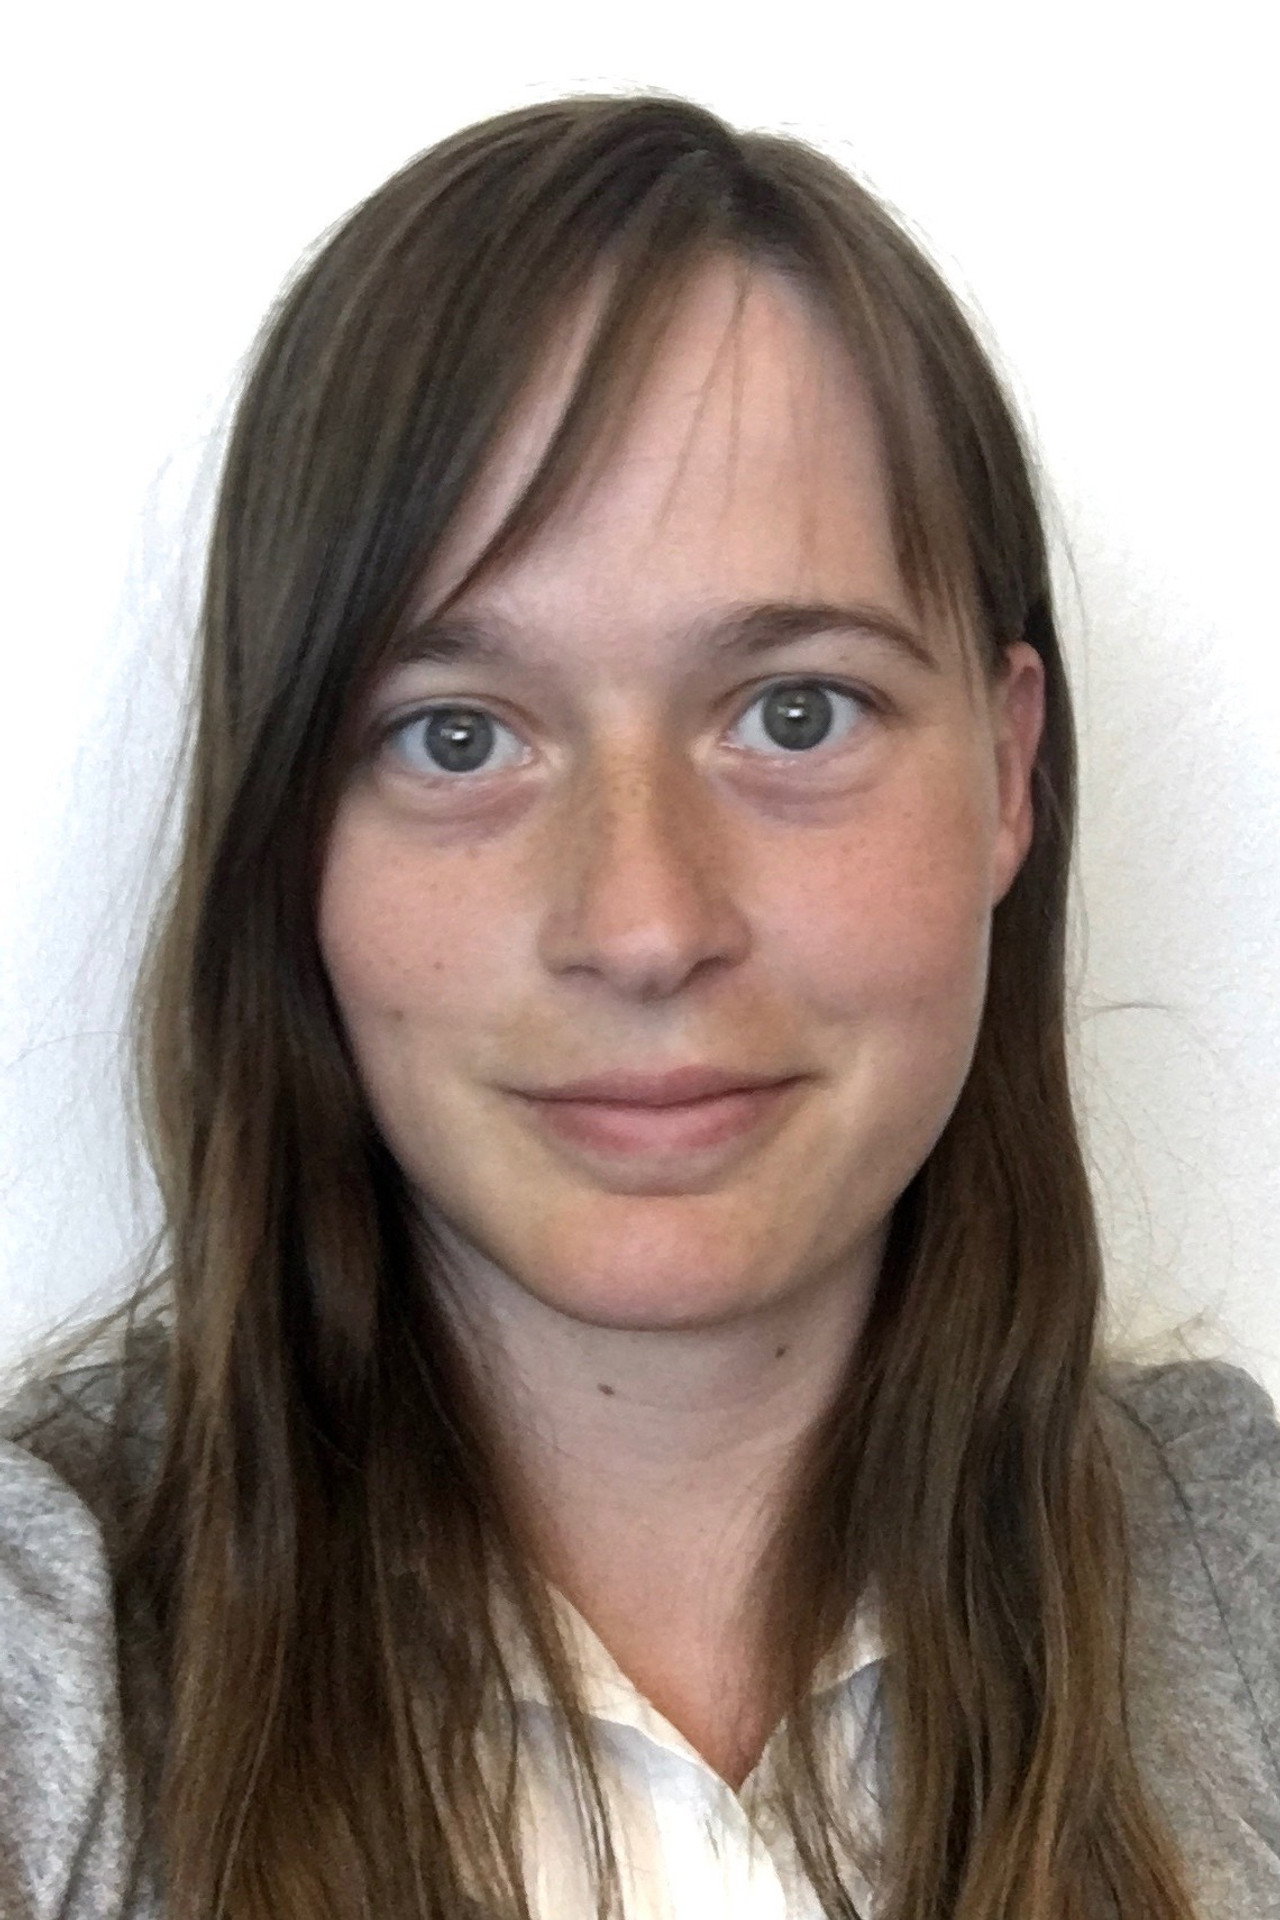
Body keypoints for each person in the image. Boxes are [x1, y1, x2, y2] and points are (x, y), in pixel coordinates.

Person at [1, 90, 1277, 1920]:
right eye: (457, 736)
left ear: (1009, 774)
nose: (645, 925)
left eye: (795, 713)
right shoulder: (42, 1663)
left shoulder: (1235, 1577)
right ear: (287, 830)